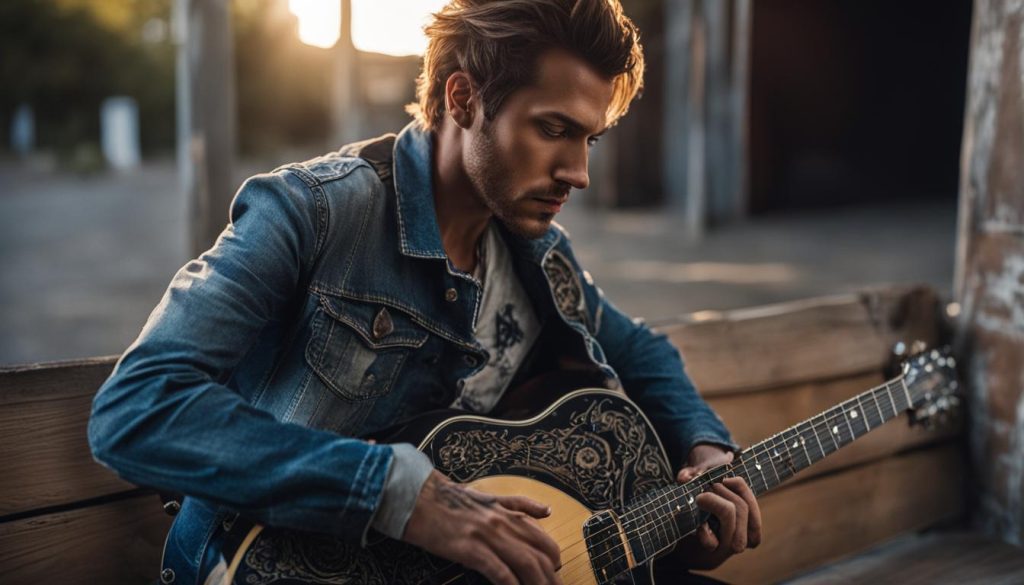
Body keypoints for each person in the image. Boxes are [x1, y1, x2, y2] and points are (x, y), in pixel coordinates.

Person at [88, 1, 761, 584]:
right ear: (463, 98)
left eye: (590, 138)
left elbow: (639, 348)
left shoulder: (537, 254)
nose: (578, 172)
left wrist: (706, 453)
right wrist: (405, 494)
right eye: (553, 129)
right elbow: (137, 407)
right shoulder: (314, 212)